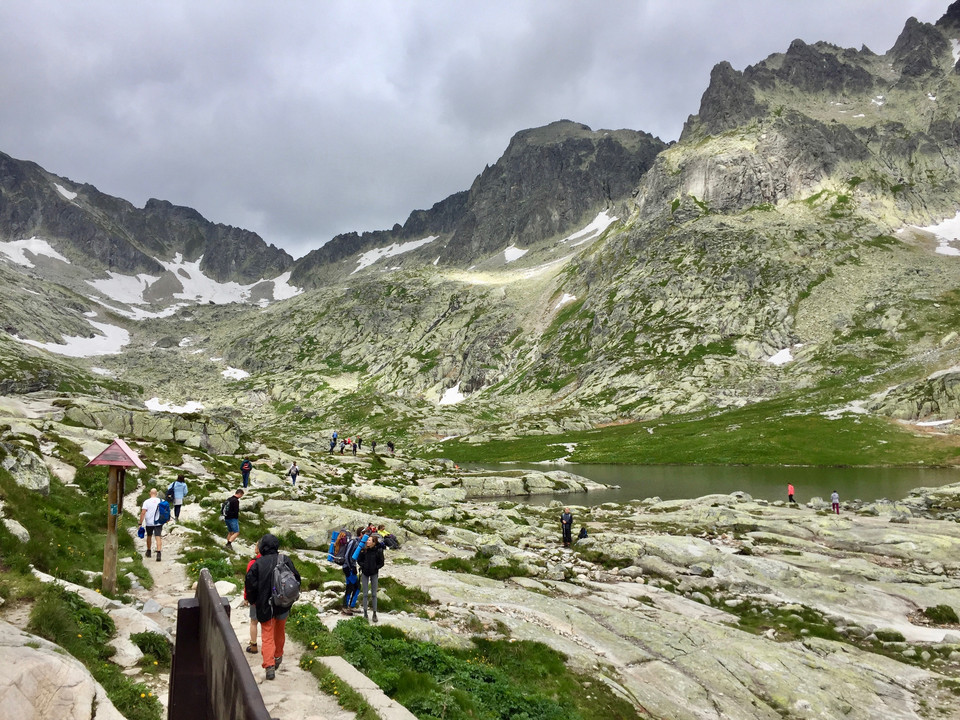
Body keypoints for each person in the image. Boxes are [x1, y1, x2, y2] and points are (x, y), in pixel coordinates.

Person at [244, 533, 301, 680]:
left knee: (267, 634)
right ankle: (278, 656)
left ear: (263, 547)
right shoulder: (285, 560)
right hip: (283, 604)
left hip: (265, 605)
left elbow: (250, 585)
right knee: (280, 631)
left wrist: (252, 601)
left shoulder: (257, 564)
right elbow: (296, 579)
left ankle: (269, 666)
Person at [357, 533, 385, 622]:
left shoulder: (379, 551)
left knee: (374, 594)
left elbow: (381, 563)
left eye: (369, 540)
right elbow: (359, 560)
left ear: (374, 542)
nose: (367, 542)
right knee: (365, 594)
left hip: (374, 573)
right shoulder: (363, 550)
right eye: (367, 540)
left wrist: (375, 567)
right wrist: (363, 565)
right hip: (365, 573)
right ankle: (365, 613)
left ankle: (374, 613)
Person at [340, 527, 363, 615]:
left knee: (350, 586)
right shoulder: (354, 542)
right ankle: (349, 606)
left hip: (348, 567)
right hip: (348, 568)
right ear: (361, 534)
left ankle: (347, 606)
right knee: (356, 586)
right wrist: (351, 567)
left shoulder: (357, 543)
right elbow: (347, 556)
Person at [244, 540, 262, 654]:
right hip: (269, 598)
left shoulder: (253, 562)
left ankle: (253, 645)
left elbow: (248, 582)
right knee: (268, 624)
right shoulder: (272, 560)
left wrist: (246, 597)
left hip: (255, 598)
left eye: (256, 546)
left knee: (253, 622)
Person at [139, 488, 164, 562]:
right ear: (156, 493)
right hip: (158, 522)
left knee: (149, 536)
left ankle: (149, 551)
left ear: (150, 493)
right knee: (158, 537)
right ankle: (159, 553)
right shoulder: (161, 501)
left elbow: (143, 513)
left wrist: (140, 522)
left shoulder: (146, 502)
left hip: (149, 522)